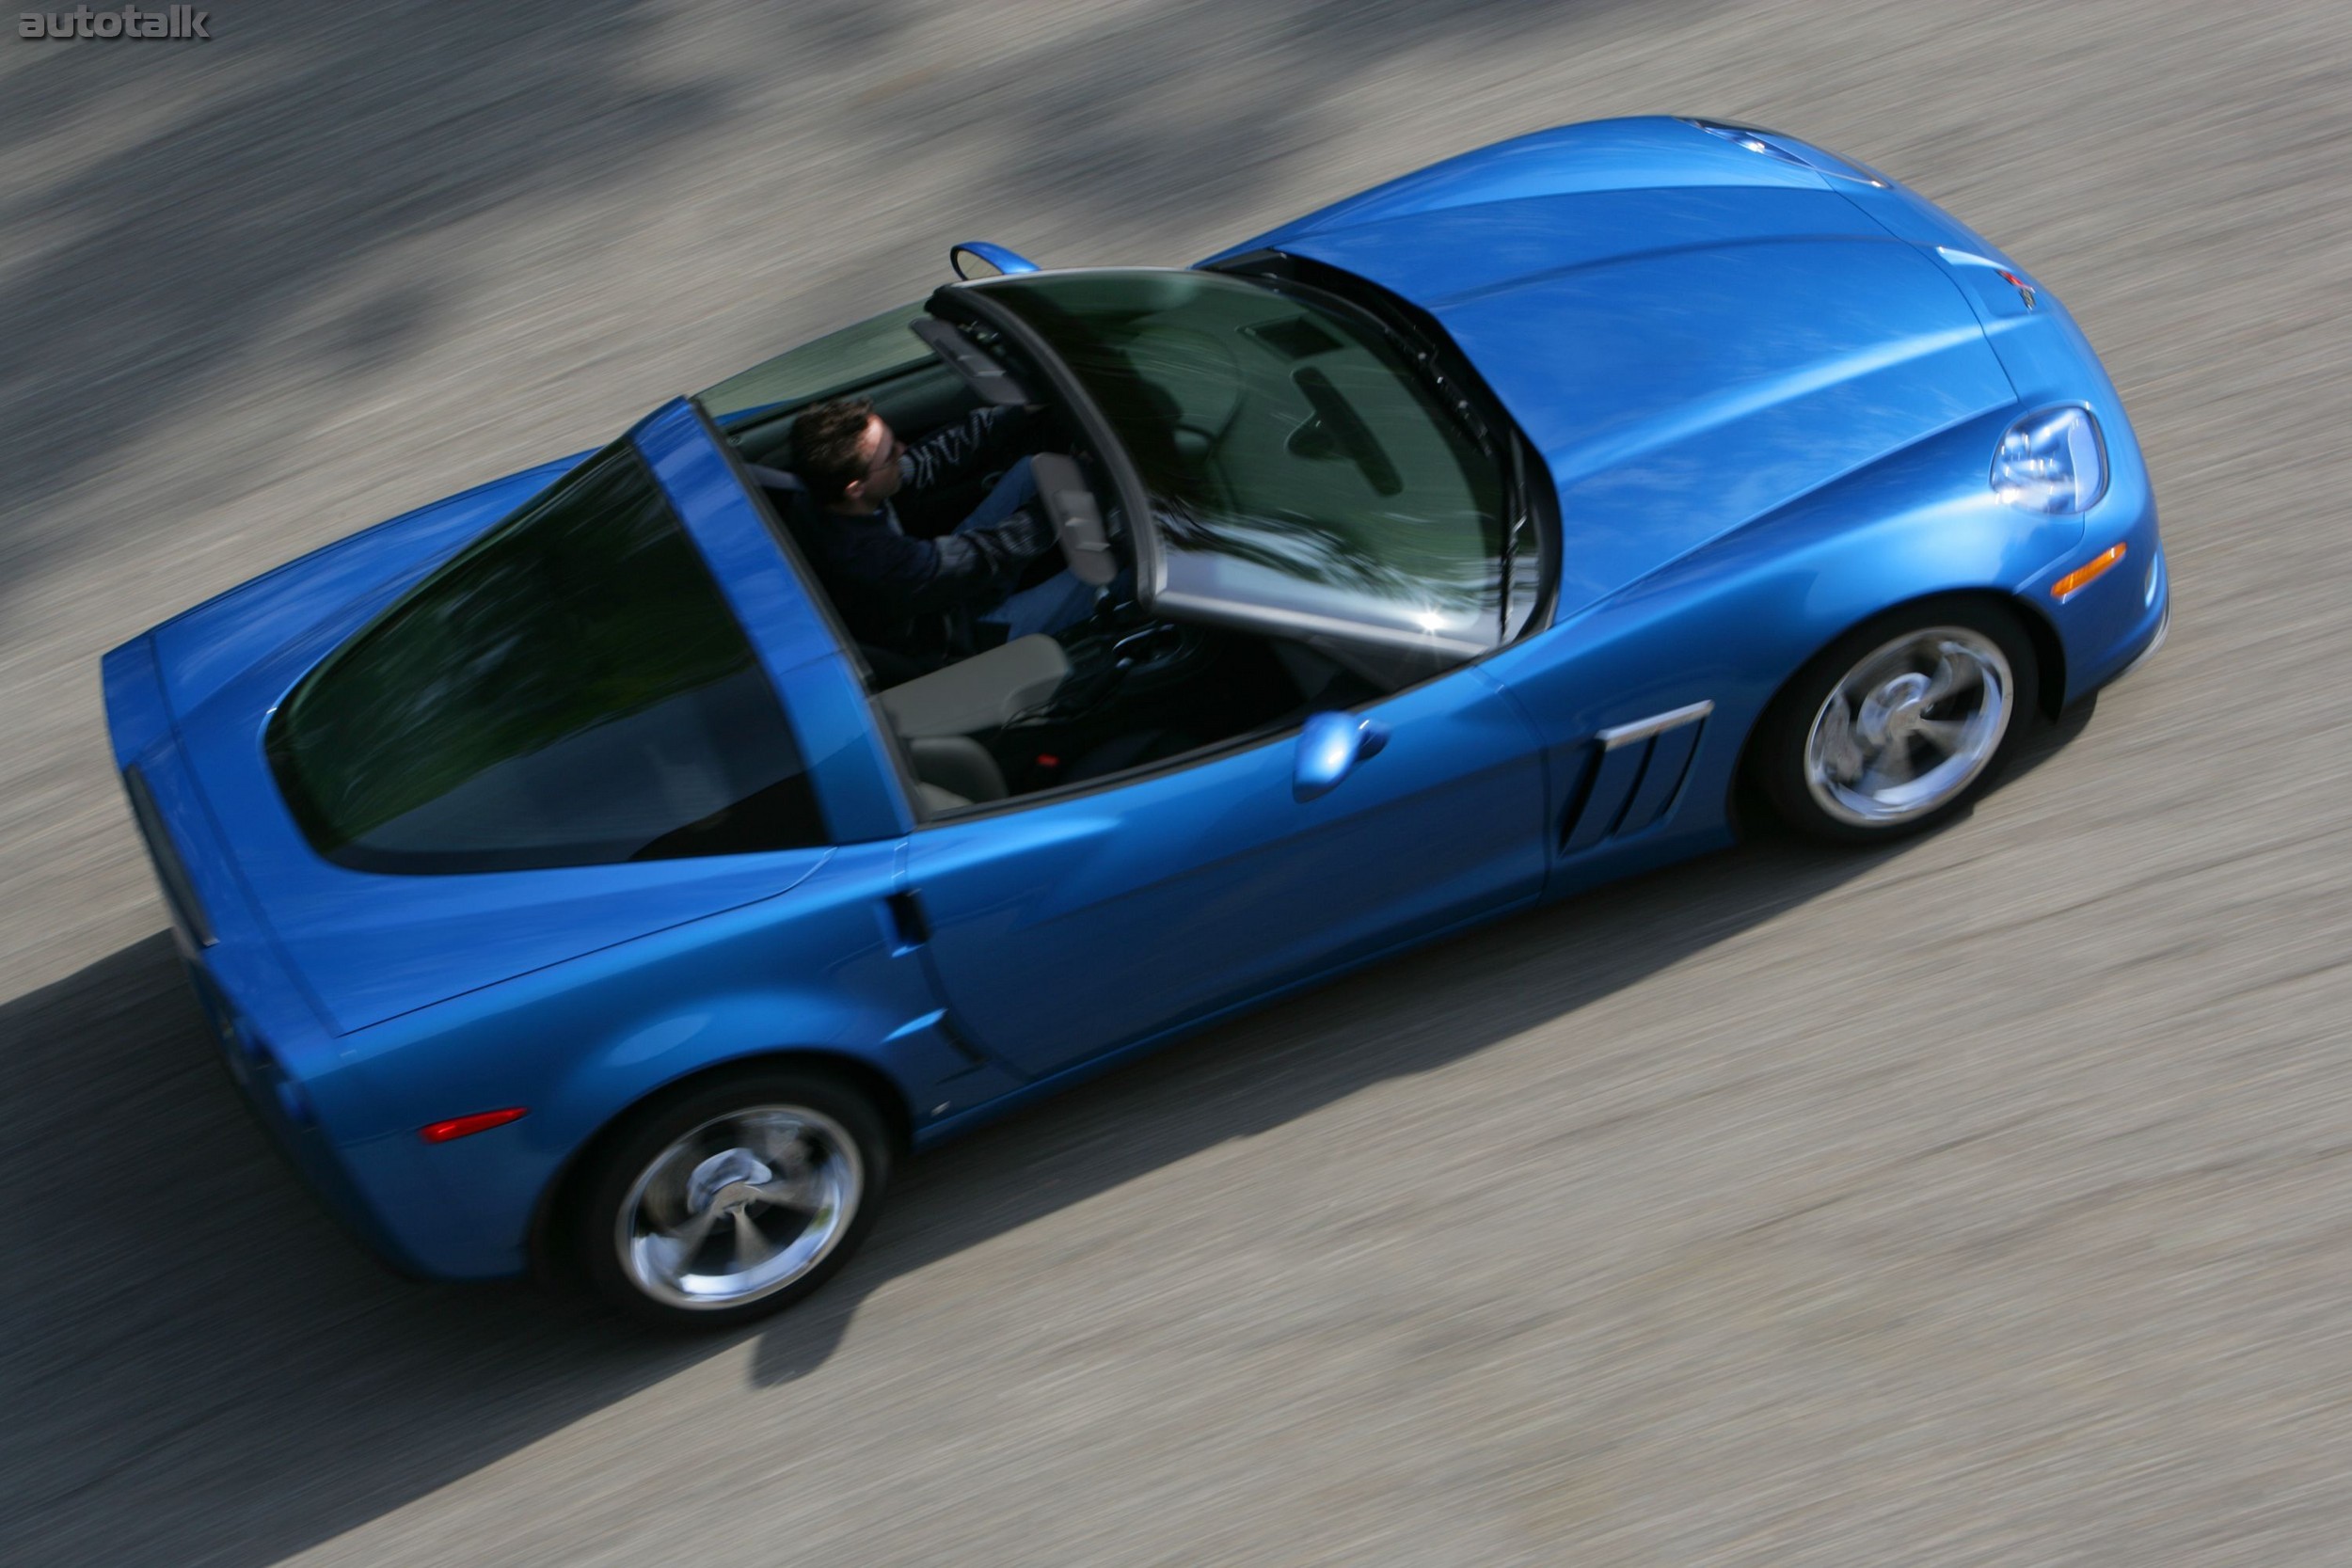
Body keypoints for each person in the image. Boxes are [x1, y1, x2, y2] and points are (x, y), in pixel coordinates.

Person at [779, 396, 1103, 657]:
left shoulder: (818, 496)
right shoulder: (877, 562)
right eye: (890, 454)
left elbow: (925, 460)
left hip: (937, 587)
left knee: (1030, 472)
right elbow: (990, 553)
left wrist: (1019, 411)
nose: (901, 451)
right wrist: (1075, 492)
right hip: (960, 634)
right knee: (1100, 578)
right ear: (855, 487)